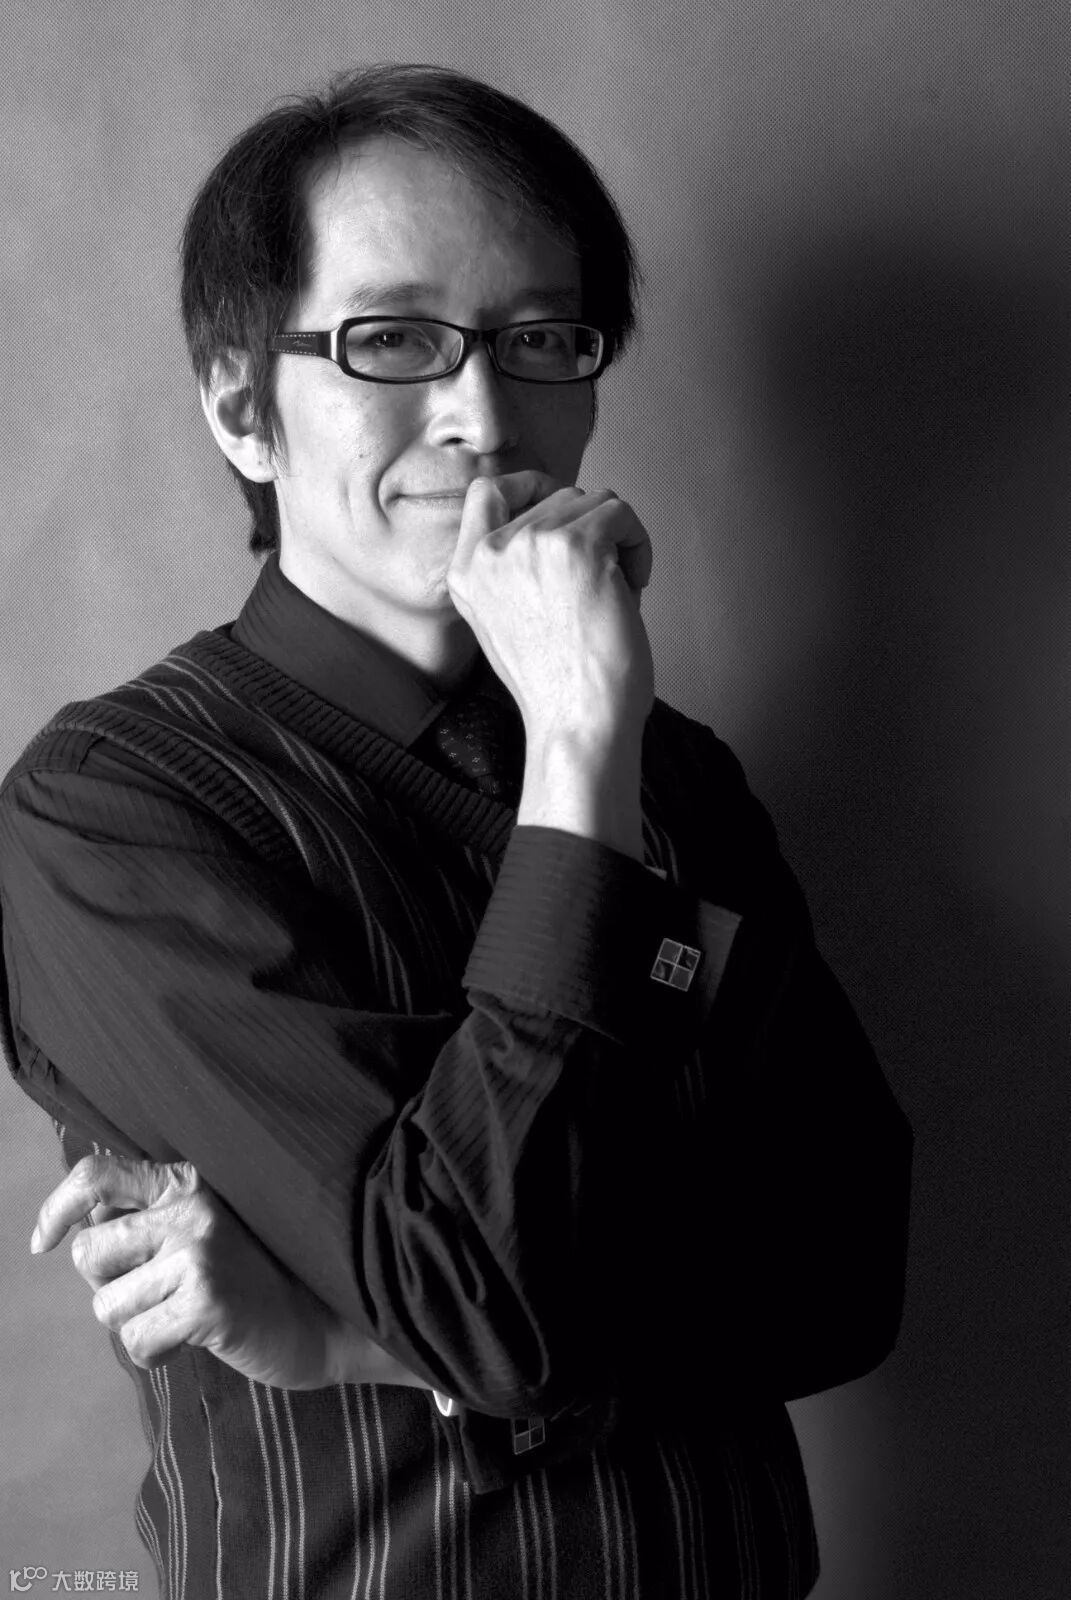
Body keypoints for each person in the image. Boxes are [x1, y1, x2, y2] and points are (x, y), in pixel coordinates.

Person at [0, 62, 913, 1600]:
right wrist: (579, 747)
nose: (484, 416)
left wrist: (347, 1337)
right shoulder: (117, 806)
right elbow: (482, 1301)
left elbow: (844, 1278)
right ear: (241, 406)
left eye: (541, 338)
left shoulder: (677, 773)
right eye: (394, 340)